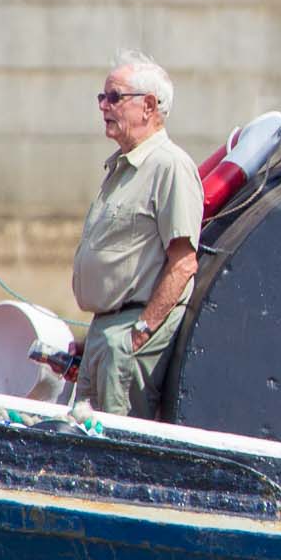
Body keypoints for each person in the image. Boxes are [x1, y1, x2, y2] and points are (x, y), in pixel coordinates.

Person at [70, 53, 202, 418]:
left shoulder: (169, 166)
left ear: (148, 106)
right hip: (105, 332)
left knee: (114, 448)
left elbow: (183, 262)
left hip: (127, 338)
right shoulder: (122, 167)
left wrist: (139, 333)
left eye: (114, 97)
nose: (104, 106)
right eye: (102, 97)